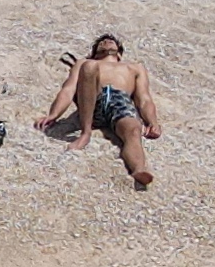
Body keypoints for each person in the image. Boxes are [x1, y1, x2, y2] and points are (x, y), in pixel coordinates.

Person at [42, 32, 167, 189]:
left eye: (111, 41)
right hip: (93, 98)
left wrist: (153, 122)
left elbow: (144, 99)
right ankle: (85, 132)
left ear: (119, 53)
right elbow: (68, 90)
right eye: (102, 42)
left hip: (121, 101)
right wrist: (54, 114)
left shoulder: (134, 68)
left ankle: (138, 169)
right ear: (95, 52)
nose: (107, 41)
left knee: (133, 130)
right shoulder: (85, 63)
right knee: (89, 67)